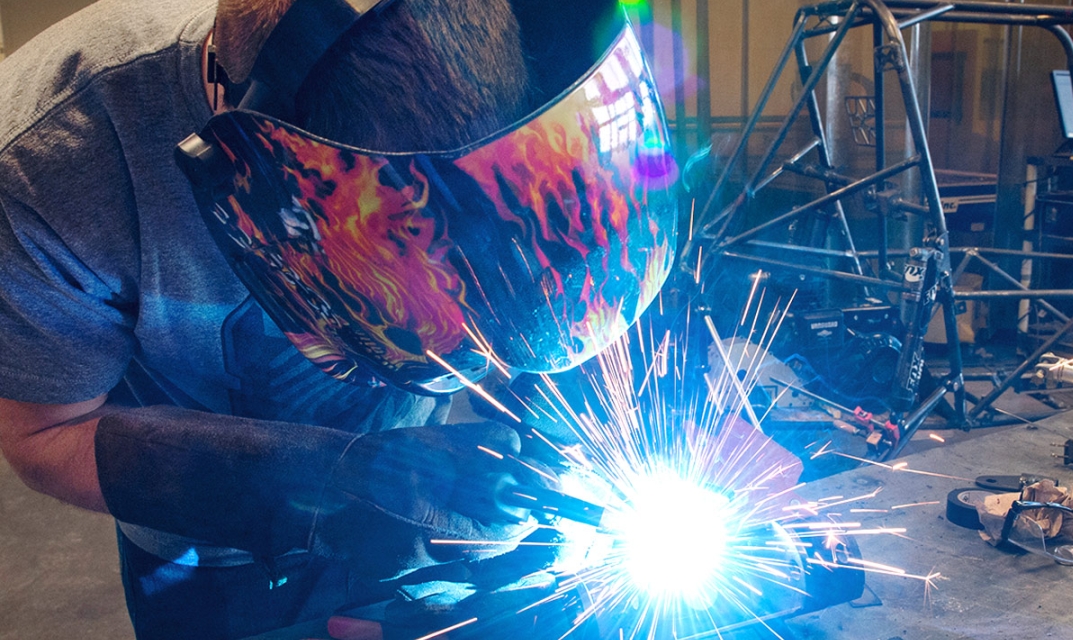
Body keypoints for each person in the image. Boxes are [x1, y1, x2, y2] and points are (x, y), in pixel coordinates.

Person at [0, 0, 674, 637]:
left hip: (428, 490)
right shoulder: (50, 166)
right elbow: (44, 437)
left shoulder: (530, 67)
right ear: (268, 192)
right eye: (411, 246)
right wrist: (331, 483)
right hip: (206, 547)